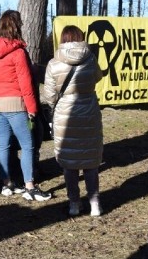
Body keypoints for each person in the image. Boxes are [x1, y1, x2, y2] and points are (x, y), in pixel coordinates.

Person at [0, 10, 50, 202]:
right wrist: (33, 110)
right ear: (17, 26)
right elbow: (26, 85)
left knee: (3, 145)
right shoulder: (18, 52)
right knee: (28, 145)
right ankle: (30, 187)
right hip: (16, 106)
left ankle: (7, 183)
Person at [41, 25, 103, 217]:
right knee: (91, 162)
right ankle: (95, 204)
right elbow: (98, 77)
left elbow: (49, 96)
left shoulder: (53, 63)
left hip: (65, 114)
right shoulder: (91, 58)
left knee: (69, 163)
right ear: (80, 38)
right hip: (89, 111)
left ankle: (74, 204)